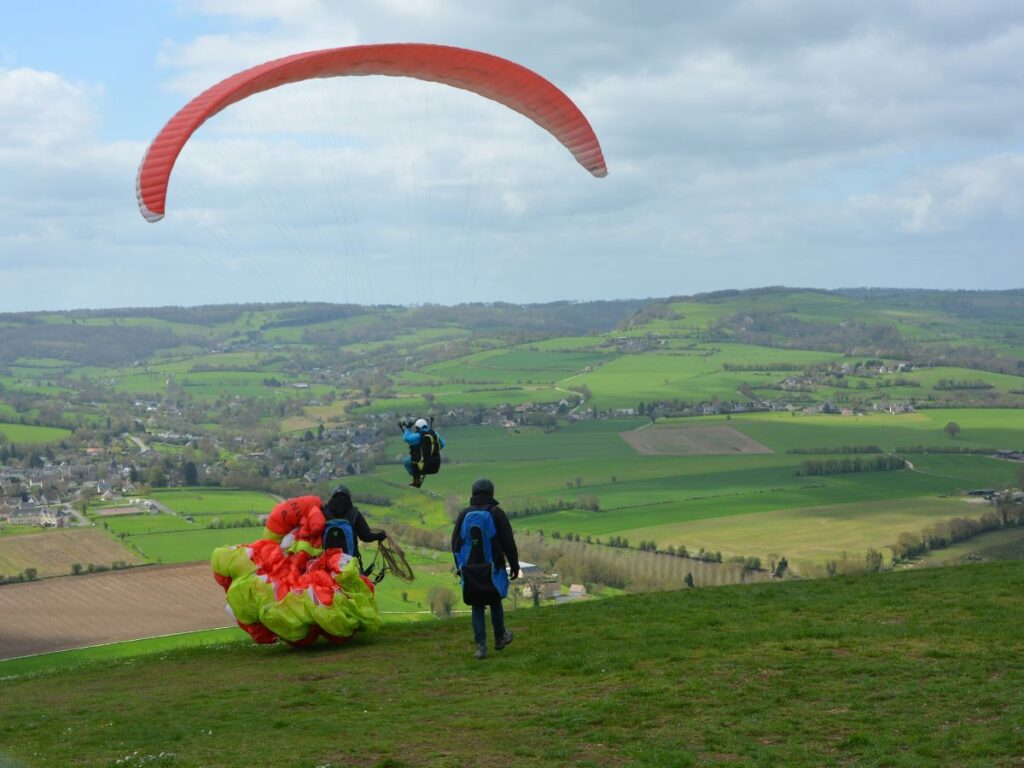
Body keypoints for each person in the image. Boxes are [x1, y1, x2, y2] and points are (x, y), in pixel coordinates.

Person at [451, 478, 519, 660]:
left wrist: (460, 567)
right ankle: (500, 638)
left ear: (473, 494)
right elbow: (508, 543)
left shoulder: (464, 514)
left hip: (470, 569)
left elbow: (455, 543)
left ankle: (481, 647)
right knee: (495, 601)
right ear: (491, 493)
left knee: (477, 606)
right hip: (493, 567)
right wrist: (514, 565)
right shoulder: (496, 513)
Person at [322, 485, 387, 571]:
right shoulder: (354, 513)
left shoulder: (324, 512)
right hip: (349, 564)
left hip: (327, 564)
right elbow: (366, 536)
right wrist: (380, 536)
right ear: (348, 497)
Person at [400, 417, 445, 488]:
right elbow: (443, 444)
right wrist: (432, 449)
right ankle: (417, 478)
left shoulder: (419, 436)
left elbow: (406, 438)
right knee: (416, 456)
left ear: (418, 428)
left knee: (406, 461)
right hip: (436, 466)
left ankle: (416, 477)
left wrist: (408, 428)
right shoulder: (435, 434)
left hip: (424, 466)